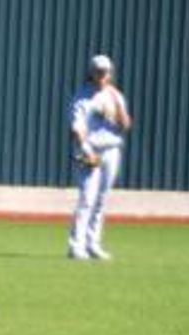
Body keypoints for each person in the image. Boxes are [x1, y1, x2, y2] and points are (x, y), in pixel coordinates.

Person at [67, 54, 133, 260]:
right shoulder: (83, 96)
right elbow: (77, 129)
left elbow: (126, 125)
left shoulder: (115, 95)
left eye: (105, 72)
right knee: (87, 198)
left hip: (112, 150)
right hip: (92, 149)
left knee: (102, 199)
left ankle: (93, 243)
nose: (102, 75)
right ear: (91, 72)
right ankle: (76, 246)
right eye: (98, 71)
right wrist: (87, 152)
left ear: (110, 73)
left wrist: (118, 107)